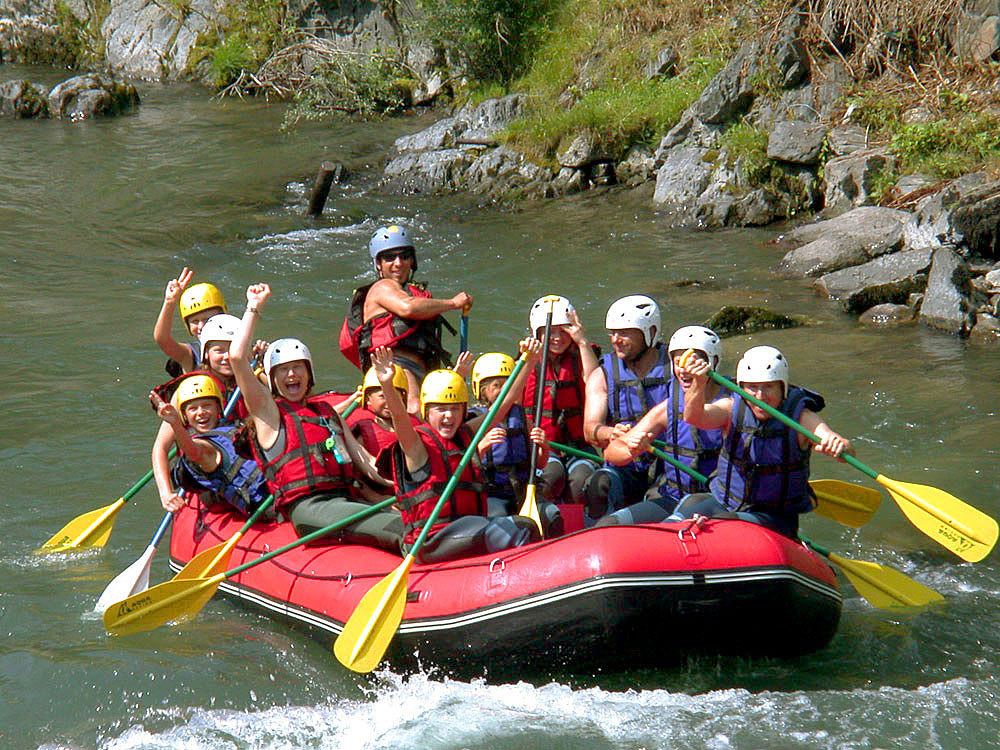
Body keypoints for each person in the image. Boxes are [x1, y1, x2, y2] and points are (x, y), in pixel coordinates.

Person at [231, 283, 403, 550]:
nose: (292, 375)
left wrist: (404, 489)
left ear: (308, 373)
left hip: (345, 499)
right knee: (399, 528)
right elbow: (237, 358)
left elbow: (365, 463)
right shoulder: (269, 414)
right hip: (309, 508)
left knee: (413, 516)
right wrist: (254, 307)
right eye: (283, 370)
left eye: (298, 368)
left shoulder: (326, 413)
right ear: (272, 379)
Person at [374, 344, 544, 563]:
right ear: (427, 411)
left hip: (466, 529)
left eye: (455, 409)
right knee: (517, 528)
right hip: (432, 540)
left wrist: (529, 362)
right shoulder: (416, 445)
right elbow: (399, 417)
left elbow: (504, 404)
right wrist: (387, 384)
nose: (448, 416)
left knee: (526, 524)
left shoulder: (465, 435)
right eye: (440, 409)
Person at [668, 344, 854, 538]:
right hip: (726, 501)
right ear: (741, 387)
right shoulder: (731, 409)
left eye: (769, 387)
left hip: (774, 517)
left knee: (720, 523)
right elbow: (694, 417)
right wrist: (699, 382)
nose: (760, 397)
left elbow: (835, 441)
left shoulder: (801, 418)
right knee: (680, 515)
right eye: (752, 387)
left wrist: (839, 444)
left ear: (782, 386)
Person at [597, 325, 725, 525]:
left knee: (673, 524)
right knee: (609, 524)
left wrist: (698, 386)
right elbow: (611, 452)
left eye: (691, 363)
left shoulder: (731, 405)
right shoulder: (670, 406)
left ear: (712, 362)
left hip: (712, 501)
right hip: (673, 497)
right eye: (677, 362)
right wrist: (631, 450)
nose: (683, 369)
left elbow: (699, 416)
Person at [339, 225, 473, 413]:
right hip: (396, 366)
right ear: (378, 264)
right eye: (389, 257)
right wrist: (453, 303)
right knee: (414, 409)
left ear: (412, 261)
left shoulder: (415, 292)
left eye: (404, 256)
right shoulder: (382, 287)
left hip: (419, 370)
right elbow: (407, 307)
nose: (398, 263)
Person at [581, 295, 669, 524]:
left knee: (656, 500)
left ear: (649, 332)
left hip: (667, 467)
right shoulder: (603, 373)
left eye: (624, 333)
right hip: (624, 465)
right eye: (612, 333)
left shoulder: (676, 368)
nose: (615, 340)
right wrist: (610, 433)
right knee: (597, 483)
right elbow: (590, 430)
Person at [150, 313, 245, 513]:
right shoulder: (191, 389)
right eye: (219, 350)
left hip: (242, 464)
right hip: (207, 472)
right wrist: (166, 493)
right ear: (206, 354)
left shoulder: (252, 380)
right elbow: (161, 447)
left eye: (232, 349)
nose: (227, 356)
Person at [150, 373, 268, 516]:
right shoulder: (199, 445)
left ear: (218, 408)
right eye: (193, 409)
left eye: (207, 406)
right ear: (185, 416)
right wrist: (175, 424)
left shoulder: (234, 428)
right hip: (245, 499)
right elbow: (193, 451)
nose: (201, 413)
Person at [469, 352, 560, 534]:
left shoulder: (522, 418)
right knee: (500, 521)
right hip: (493, 493)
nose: (504, 390)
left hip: (524, 490)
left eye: (508, 385)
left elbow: (540, 463)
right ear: (481, 389)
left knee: (551, 516)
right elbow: (464, 467)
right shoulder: (473, 420)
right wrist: (482, 446)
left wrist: (543, 446)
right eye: (497, 386)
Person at [521, 295, 599, 504]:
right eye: (550, 332)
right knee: (552, 477)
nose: (557, 338)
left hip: (579, 446)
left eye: (563, 331)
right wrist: (527, 361)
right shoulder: (527, 360)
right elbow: (512, 400)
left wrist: (582, 341)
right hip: (546, 446)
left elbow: (595, 382)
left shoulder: (582, 355)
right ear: (538, 334)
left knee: (580, 482)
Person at [153, 267, 227, 376]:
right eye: (195, 321)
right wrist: (170, 302)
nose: (201, 326)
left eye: (207, 320)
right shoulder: (189, 355)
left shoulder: (239, 347)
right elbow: (162, 339)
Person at [347, 362, 420, 468]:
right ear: (368, 399)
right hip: (376, 481)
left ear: (403, 399)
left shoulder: (415, 424)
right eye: (382, 396)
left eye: (393, 396)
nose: (389, 401)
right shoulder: (361, 433)